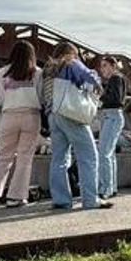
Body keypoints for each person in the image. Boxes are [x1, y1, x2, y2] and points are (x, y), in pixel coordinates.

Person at [41, 42, 109, 211]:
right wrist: (98, 84)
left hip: (53, 115)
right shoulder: (71, 62)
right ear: (72, 53)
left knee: (59, 159)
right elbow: (90, 77)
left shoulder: (48, 69)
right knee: (89, 156)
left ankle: (61, 200)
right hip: (70, 113)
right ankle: (90, 200)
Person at [0, 40, 42, 209]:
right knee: (25, 158)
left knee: (3, 155)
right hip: (31, 116)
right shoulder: (38, 73)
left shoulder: (2, 73)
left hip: (9, 116)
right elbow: (42, 97)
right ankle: (15, 197)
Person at [96, 55, 127, 200]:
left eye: (105, 65)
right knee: (109, 153)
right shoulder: (118, 79)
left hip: (112, 116)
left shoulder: (115, 78)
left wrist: (100, 95)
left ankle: (105, 188)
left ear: (113, 66)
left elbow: (115, 99)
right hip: (113, 116)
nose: (102, 69)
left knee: (104, 153)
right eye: (101, 66)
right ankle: (111, 187)